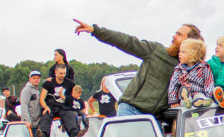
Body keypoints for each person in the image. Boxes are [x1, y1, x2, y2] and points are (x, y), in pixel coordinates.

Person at [73, 18, 202, 117]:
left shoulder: (191, 68)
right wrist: (96, 31)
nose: (174, 36)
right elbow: (127, 42)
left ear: (190, 42)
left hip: (154, 117)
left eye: (179, 34)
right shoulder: (156, 51)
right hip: (131, 109)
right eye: (175, 33)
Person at [38, 64, 78, 137]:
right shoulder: (48, 83)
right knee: (46, 116)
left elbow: (74, 97)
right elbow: (41, 99)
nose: (62, 75)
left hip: (63, 107)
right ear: (56, 72)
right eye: (60, 73)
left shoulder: (70, 84)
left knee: (70, 115)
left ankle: (74, 134)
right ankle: (43, 136)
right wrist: (45, 107)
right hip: (51, 107)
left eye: (64, 73)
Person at [168, 39, 215, 108]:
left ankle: (204, 101)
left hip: (198, 92)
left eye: (183, 52)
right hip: (184, 93)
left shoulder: (203, 67)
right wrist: (173, 100)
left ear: (193, 54)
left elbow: (209, 83)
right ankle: (186, 102)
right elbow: (173, 84)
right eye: (179, 51)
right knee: (184, 98)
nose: (179, 54)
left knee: (199, 96)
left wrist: (209, 96)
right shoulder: (179, 69)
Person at [19, 70, 42, 137]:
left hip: (36, 123)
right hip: (30, 124)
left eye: (38, 78)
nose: (36, 80)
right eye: (34, 78)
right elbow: (24, 104)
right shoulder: (26, 90)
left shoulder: (37, 90)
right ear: (30, 79)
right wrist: (27, 119)